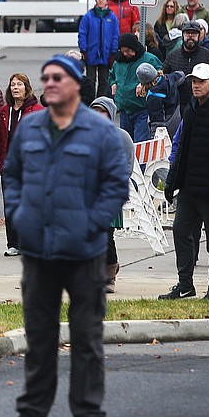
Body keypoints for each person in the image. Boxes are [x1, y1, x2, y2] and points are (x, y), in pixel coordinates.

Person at [3, 54, 129, 417]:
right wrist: (21, 217)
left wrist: (93, 226)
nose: (50, 83)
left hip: (84, 252)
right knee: (39, 336)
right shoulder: (31, 128)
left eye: (58, 77)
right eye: (46, 78)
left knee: (87, 337)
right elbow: (13, 177)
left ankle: (90, 413)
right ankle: (32, 414)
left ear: (75, 84)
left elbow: (116, 185)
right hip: (39, 251)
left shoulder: (100, 132)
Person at [159, 63, 209, 300]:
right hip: (189, 189)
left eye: (201, 81)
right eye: (194, 81)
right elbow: (182, 150)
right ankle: (185, 284)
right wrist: (172, 182)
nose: (195, 85)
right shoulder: (190, 110)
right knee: (181, 233)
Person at [0, 73, 43, 256]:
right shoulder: (4, 111)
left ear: (27, 88)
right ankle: (14, 243)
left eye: (19, 84)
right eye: (12, 85)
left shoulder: (38, 110)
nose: (15, 88)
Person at [87, 96, 135, 292]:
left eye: (102, 112)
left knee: (105, 236)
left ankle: (109, 275)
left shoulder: (121, 137)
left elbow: (126, 168)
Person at [111, 33, 162, 142]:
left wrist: (145, 84)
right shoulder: (118, 61)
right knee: (126, 143)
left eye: (128, 51)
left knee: (140, 143)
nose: (125, 54)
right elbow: (111, 75)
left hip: (141, 109)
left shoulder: (149, 59)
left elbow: (160, 75)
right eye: (123, 51)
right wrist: (113, 83)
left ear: (134, 47)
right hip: (124, 111)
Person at [163, 21, 209, 109]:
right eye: (187, 33)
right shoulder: (172, 56)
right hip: (176, 107)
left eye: (193, 34)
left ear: (199, 36)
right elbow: (163, 79)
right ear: (182, 35)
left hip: (202, 106)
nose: (190, 36)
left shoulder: (208, 56)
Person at [77, 0, 120, 97]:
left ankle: (101, 101)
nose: (100, 1)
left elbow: (115, 35)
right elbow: (82, 33)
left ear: (107, 1)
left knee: (104, 79)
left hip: (106, 54)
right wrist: (84, 50)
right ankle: (90, 99)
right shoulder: (88, 16)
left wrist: (113, 52)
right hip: (91, 53)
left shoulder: (112, 17)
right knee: (90, 79)